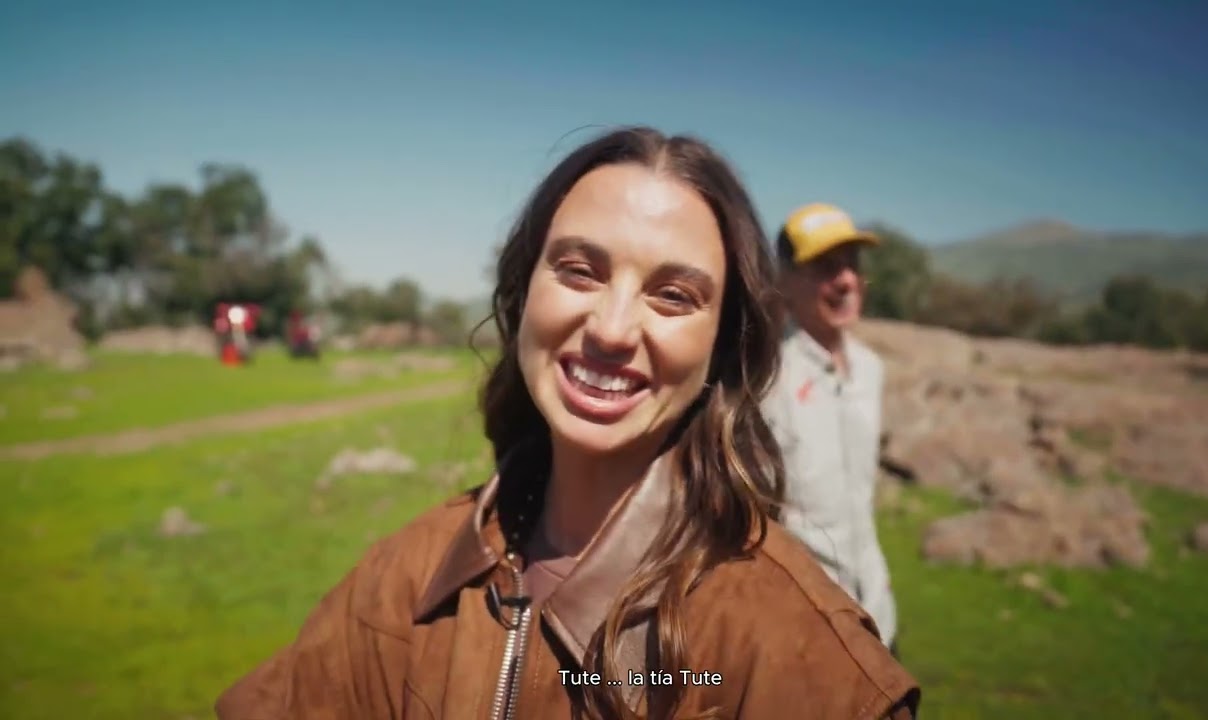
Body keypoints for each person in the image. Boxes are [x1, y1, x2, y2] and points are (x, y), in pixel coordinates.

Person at [215, 128, 919, 720]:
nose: (611, 328)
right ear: (524, 293)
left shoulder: (803, 660)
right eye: (580, 271)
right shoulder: (402, 581)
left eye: (674, 295)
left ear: (723, 344)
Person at [762, 202, 900, 654]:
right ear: (785, 280)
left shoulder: (870, 369)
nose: (845, 281)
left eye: (852, 264)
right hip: (807, 627)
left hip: (878, 614)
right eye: (825, 267)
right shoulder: (764, 379)